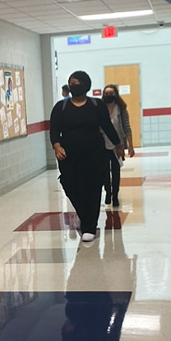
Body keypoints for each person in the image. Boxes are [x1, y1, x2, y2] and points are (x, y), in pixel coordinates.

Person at [49, 70, 122, 243]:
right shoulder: (61, 107)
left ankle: (89, 226)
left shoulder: (96, 105)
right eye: (71, 83)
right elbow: (54, 129)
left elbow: (107, 126)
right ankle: (84, 214)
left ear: (86, 85)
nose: (74, 86)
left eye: (77, 83)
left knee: (93, 188)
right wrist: (56, 145)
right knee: (70, 184)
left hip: (94, 154)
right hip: (69, 155)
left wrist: (118, 145)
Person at [102, 84, 135, 207]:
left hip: (117, 145)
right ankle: (108, 191)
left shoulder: (121, 109)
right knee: (104, 171)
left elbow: (127, 127)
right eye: (106, 93)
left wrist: (130, 146)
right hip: (103, 144)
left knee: (116, 170)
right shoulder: (101, 108)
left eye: (111, 93)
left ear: (115, 95)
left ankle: (115, 195)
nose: (109, 96)